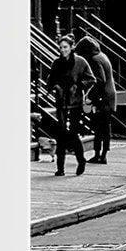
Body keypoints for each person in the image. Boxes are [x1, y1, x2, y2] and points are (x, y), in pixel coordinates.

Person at [45, 36, 92, 178]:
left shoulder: (80, 62)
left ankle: (81, 160)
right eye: (60, 47)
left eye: (65, 47)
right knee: (61, 134)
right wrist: (55, 86)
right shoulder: (57, 63)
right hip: (61, 103)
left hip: (75, 104)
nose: (63, 50)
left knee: (72, 133)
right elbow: (50, 80)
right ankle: (60, 168)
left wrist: (78, 86)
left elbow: (91, 79)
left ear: (71, 47)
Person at [78, 35, 116, 164]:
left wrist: (90, 96)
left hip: (103, 97)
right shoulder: (102, 56)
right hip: (109, 95)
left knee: (99, 128)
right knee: (105, 127)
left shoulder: (94, 59)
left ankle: (99, 154)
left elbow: (99, 80)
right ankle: (102, 154)